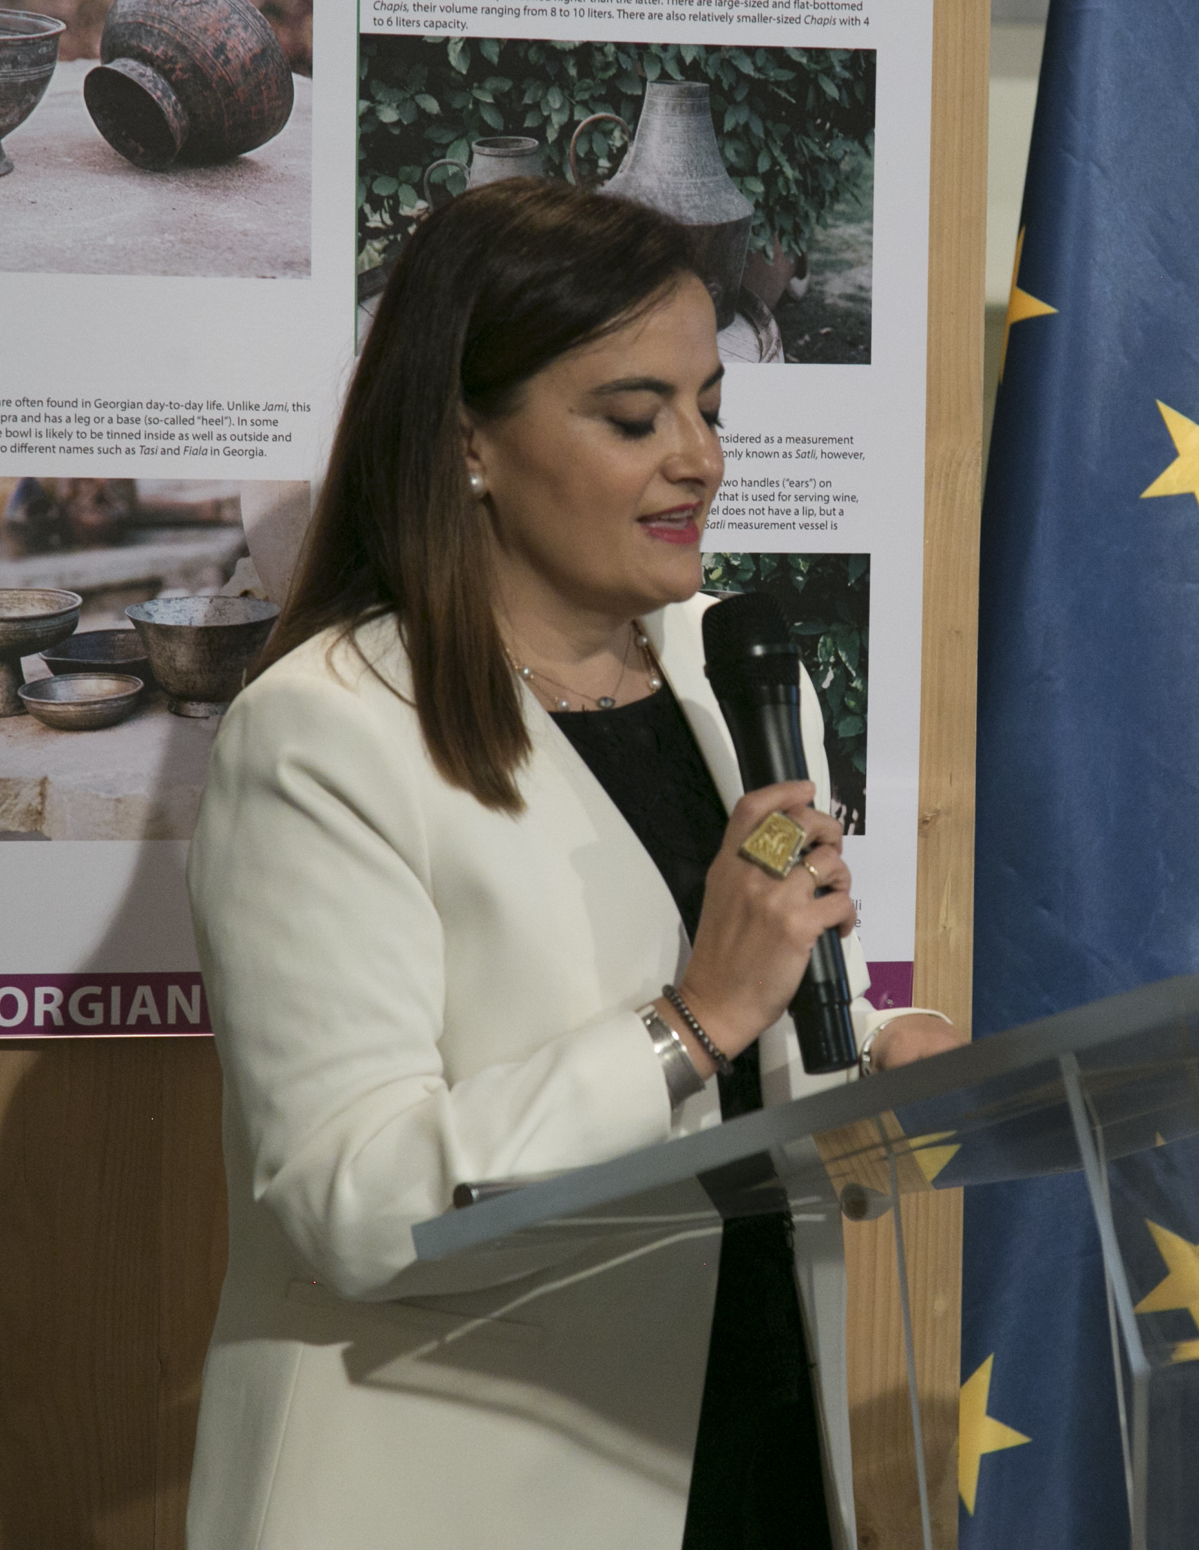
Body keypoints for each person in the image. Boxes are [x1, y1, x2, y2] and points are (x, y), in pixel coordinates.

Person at [184, 179, 962, 1550]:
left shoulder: (735, 671)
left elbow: (759, 1033)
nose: (698, 458)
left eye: (709, 406)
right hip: (465, 1494)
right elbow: (356, 1204)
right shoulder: (325, 730)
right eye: (635, 417)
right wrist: (690, 1022)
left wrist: (884, 1055)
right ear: (469, 440)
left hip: (756, 1429)